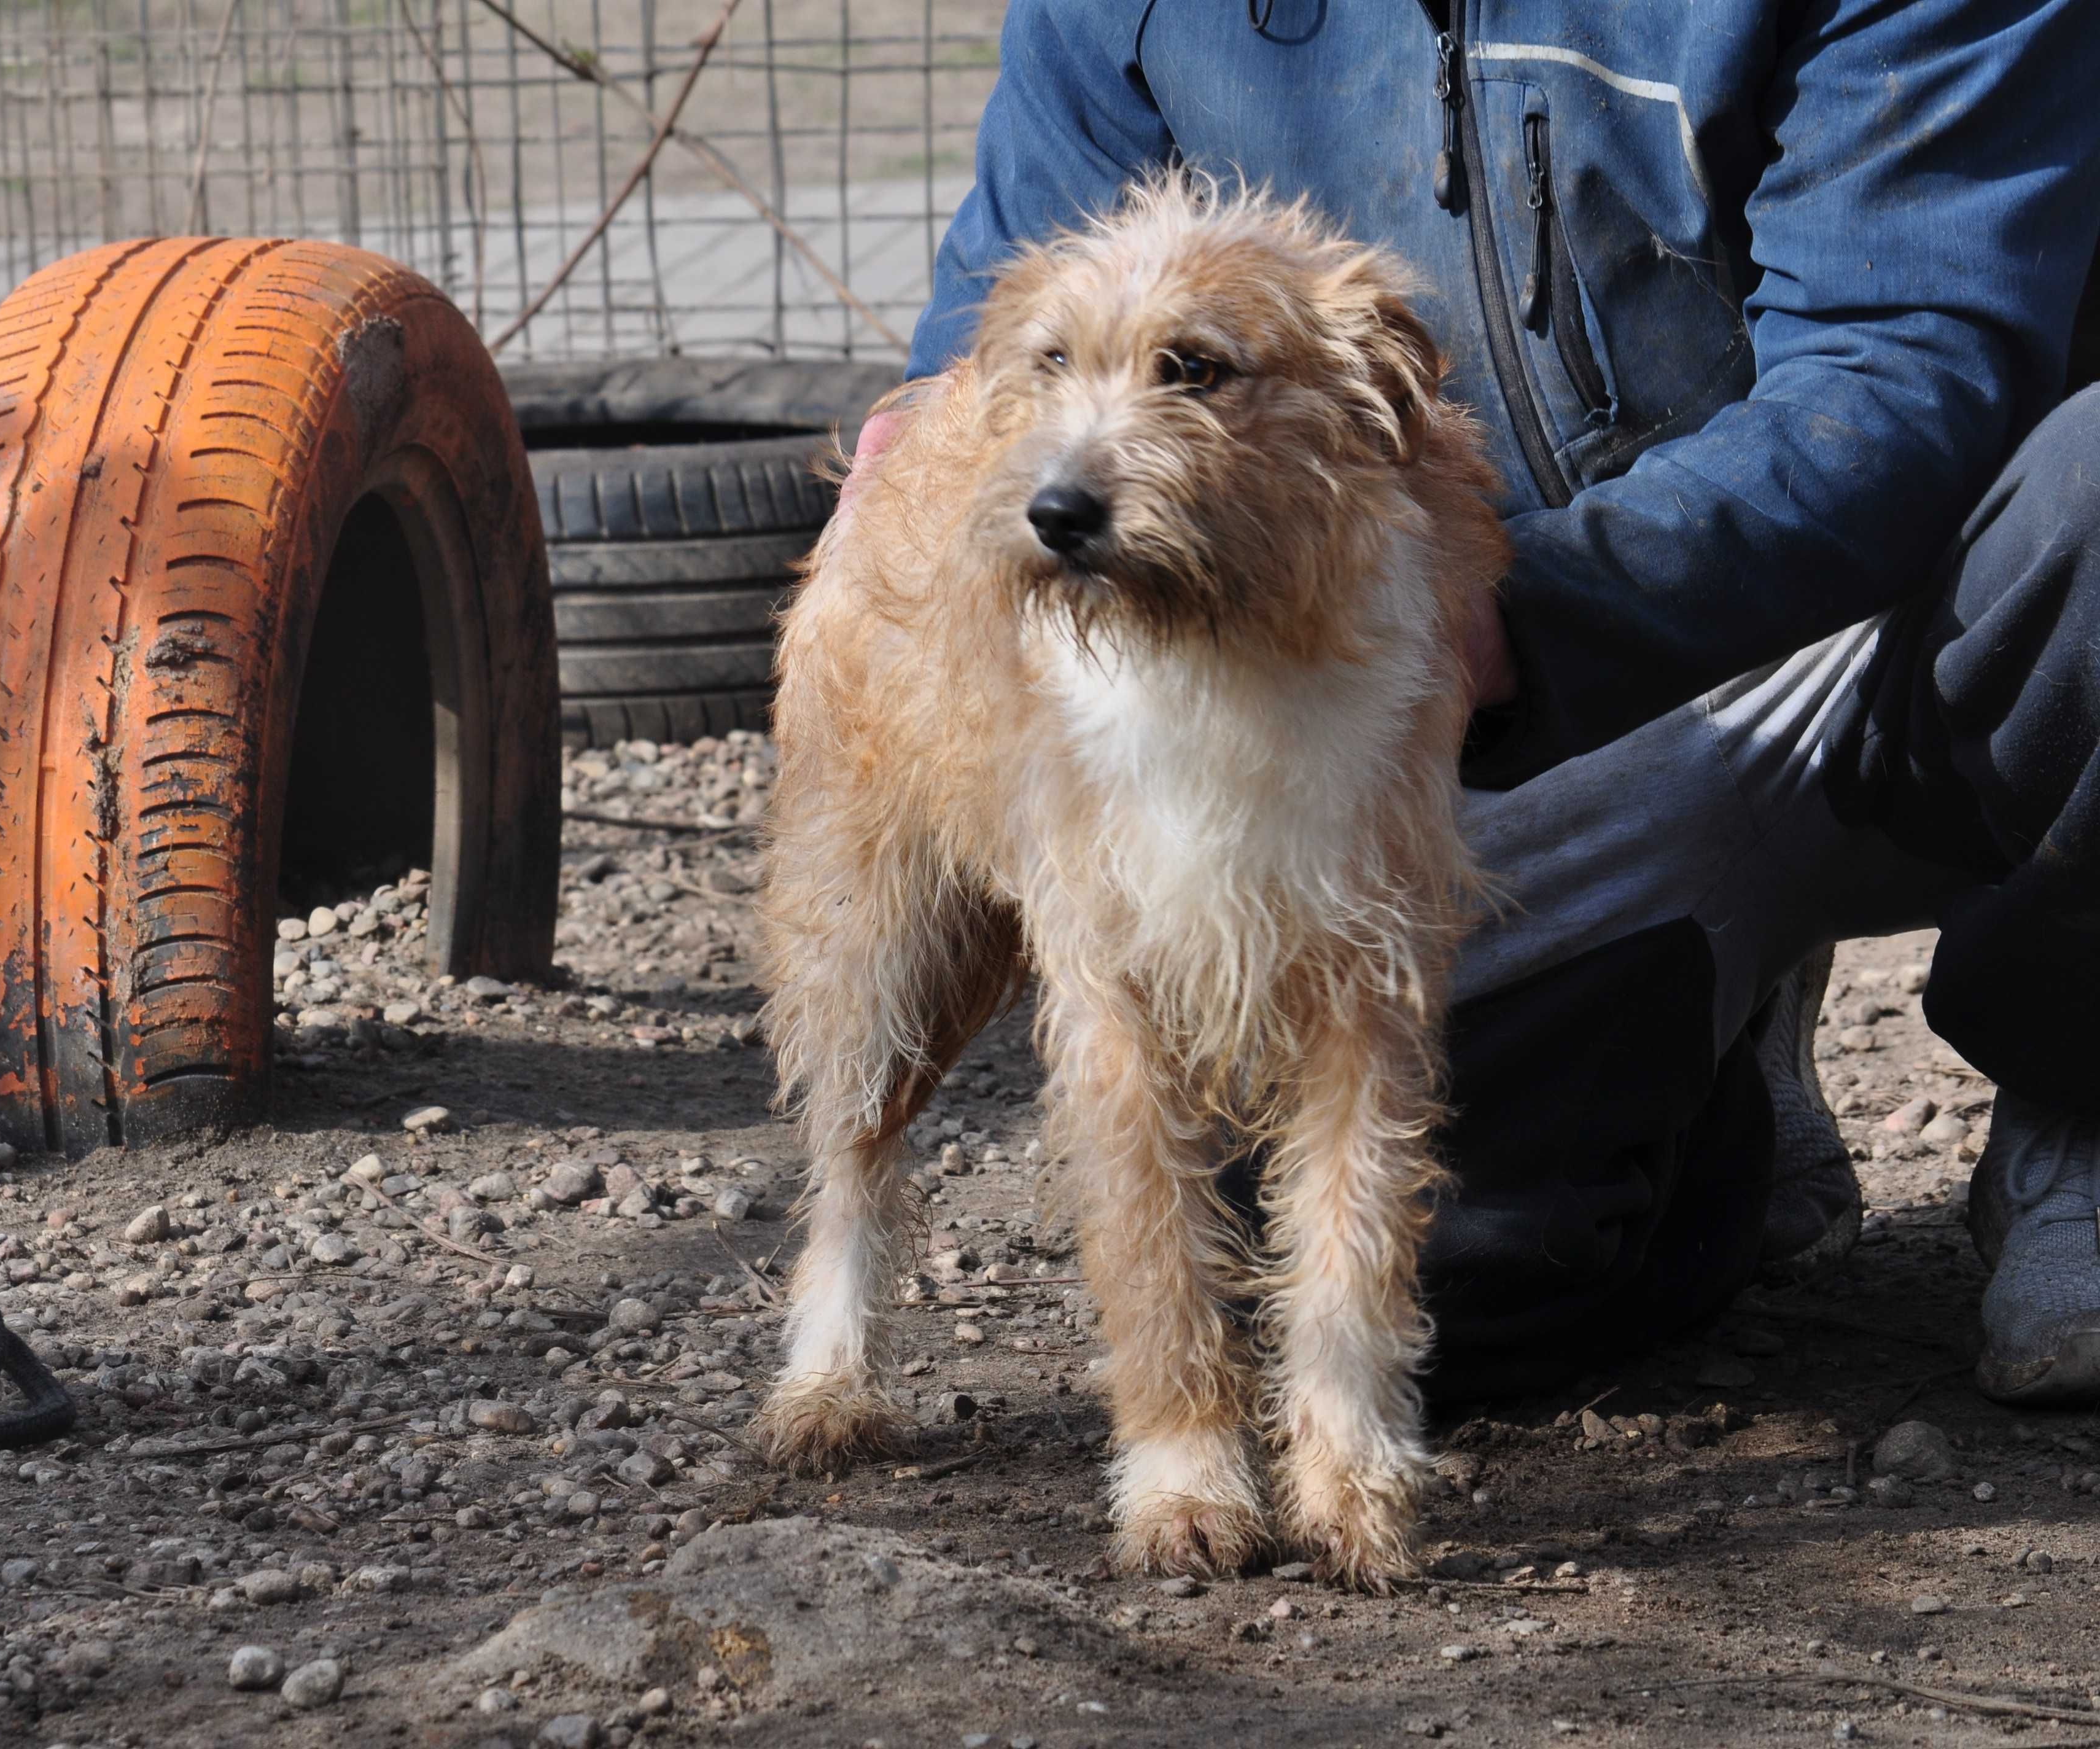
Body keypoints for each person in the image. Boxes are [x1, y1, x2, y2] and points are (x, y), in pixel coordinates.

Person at [855, 0, 2100, 1403]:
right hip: (1441, 719)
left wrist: (1510, 622)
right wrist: (909, 479)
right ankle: (1718, 1042)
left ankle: (2078, 1086)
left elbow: (1904, 361)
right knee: (1445, 1269)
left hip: (1895, 630)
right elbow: (999, 348)